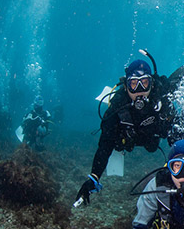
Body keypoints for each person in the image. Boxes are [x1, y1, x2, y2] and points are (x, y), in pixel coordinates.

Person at [74, 59, 172, 205]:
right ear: (126, 86)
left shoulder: (161, 99)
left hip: (151, 137)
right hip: (127, 139)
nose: (139, 89)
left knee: (153, 145)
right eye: (134, 84)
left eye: (144, 83)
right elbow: (105, 145)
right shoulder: (117, 107)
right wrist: (94, 177)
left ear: (151, 84)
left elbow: (175, 132)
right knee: (117, 144)